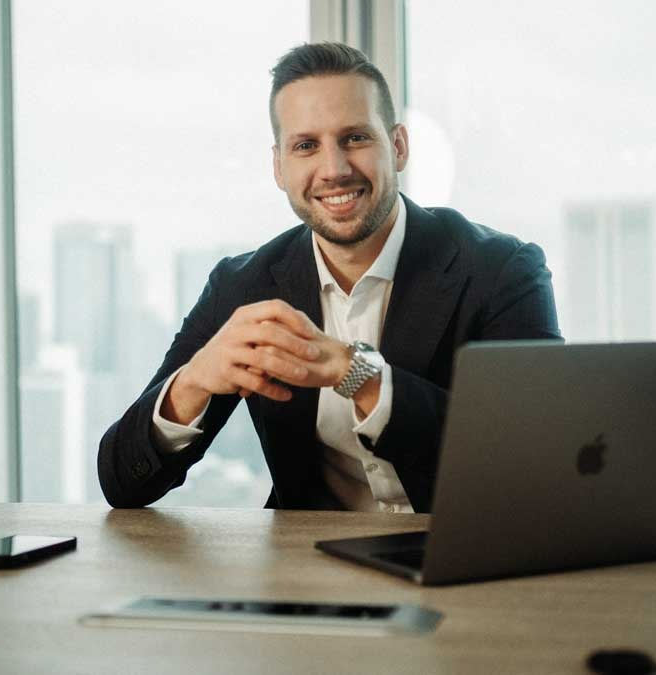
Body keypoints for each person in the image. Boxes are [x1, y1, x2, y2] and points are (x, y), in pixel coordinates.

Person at [98, 42, 560, 512]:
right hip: (308, 571)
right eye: (306, 146)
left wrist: (356, 373)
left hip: (463, 559)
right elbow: (122, 483)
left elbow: (541, 457)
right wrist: (194, 380)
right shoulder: (242, 285)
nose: (334, 170)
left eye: (356, 138)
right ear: (279, 167)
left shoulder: (502, 269)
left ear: (397, 147)